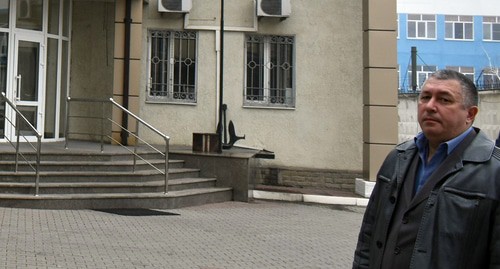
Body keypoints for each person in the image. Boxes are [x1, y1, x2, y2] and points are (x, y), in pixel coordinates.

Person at [352, 69, 500, 269]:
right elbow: (368, 236)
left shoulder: (493, 171)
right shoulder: (397, 158)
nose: (430, 106)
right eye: (425, 97)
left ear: (470, 114)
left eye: (444, 100)